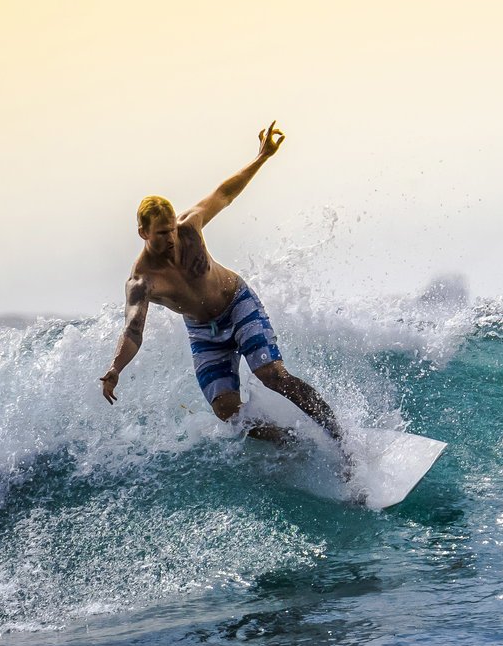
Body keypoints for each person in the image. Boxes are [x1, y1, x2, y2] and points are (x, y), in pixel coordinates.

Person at [98, 122, 342, 443]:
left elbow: (224, 194)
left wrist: (262, 157)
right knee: (227, 411)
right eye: (161, 233)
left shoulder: (189, 227)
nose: (171, 238)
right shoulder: (142, 281)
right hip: (204, 333)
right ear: (143, 233)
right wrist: (116, 368)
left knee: (272, 375)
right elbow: (132, 331)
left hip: (236, 304)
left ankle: (340, 437)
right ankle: (292, 442)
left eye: (171, 228)